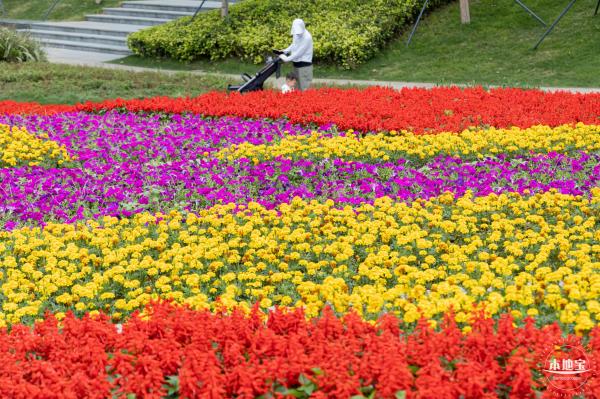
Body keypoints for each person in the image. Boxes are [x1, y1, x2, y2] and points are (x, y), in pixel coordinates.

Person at [278, 19, 313, 91]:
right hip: (296, 64)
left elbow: (299, 53)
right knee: (295, 87)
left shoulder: (307, 37)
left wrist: (287, 59)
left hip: (304, 66)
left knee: (304, 88)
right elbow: (294, 44)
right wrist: (285, 51)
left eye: (298, 33)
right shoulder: (296, 34)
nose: (297, 34)